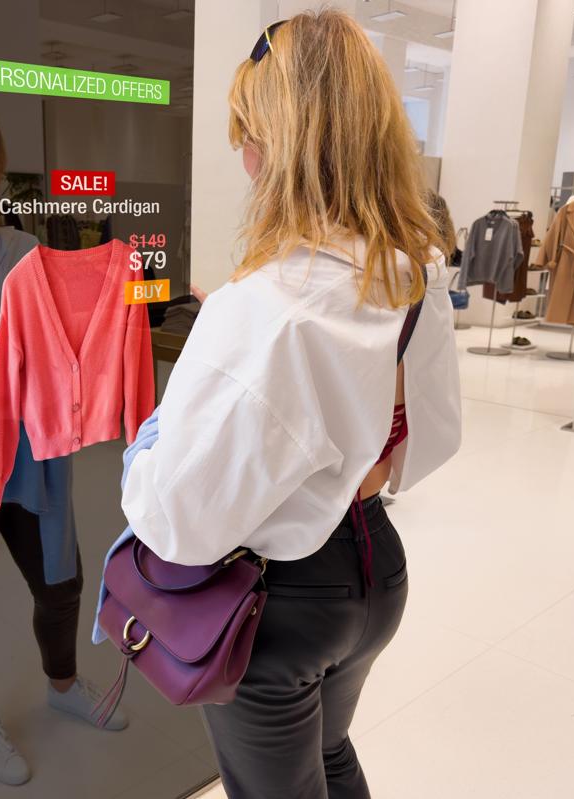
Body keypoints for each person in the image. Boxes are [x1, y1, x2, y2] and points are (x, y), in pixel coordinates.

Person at [117, 11, 462, 798]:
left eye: (246, 133)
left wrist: (150, 437)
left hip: (283, 598)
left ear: (279, 143)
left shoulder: (264, 303)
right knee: (330, 752)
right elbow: (429, 439)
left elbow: (177, 518)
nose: (242, 158)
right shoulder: (414, 273)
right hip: (375, 571)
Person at [0, 96, 127, 787]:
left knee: (61, 579)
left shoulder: (19, 247)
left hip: (30, 447)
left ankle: (63, 682)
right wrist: (6, 356)